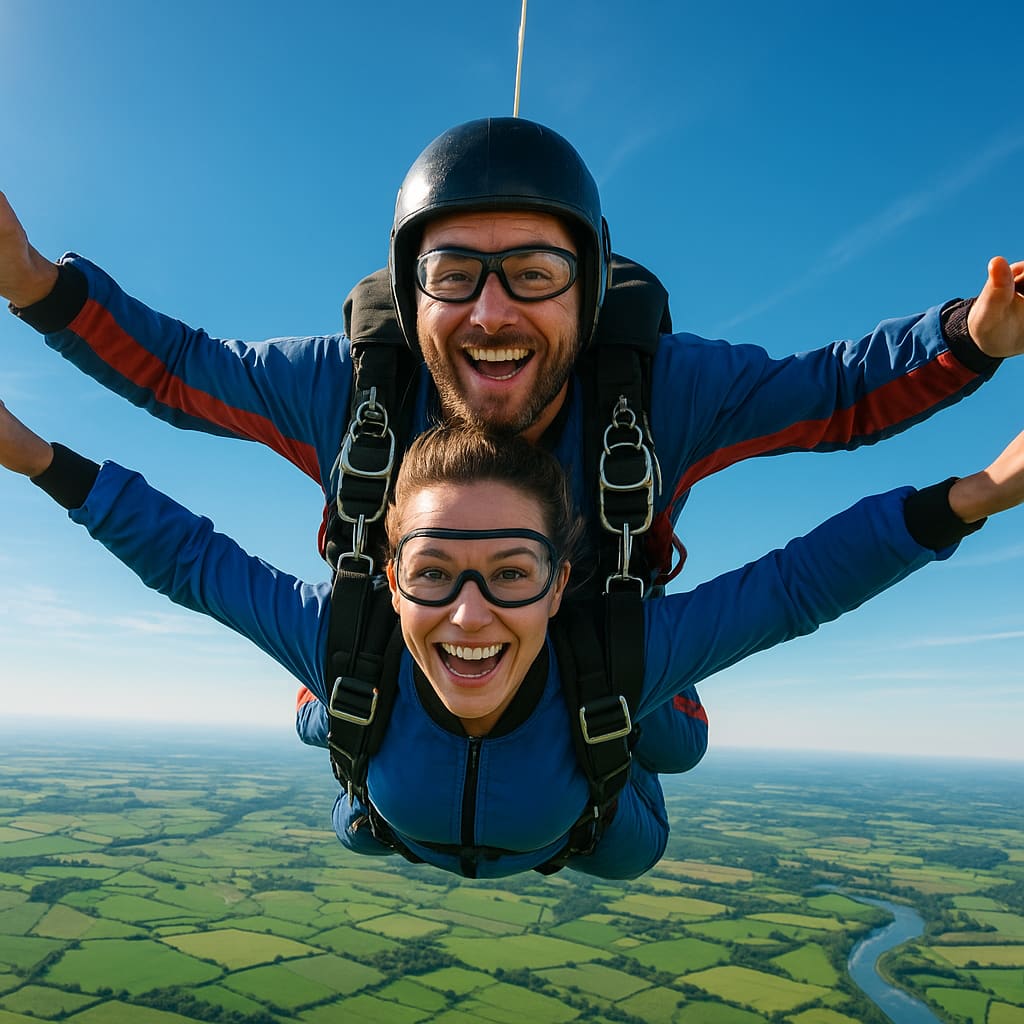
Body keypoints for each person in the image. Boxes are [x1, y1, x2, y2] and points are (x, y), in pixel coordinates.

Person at [2, 117, 1022, 773]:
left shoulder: (661, 390)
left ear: (584, 286)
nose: (491, 311)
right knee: (349, 729)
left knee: (661, 756)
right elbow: (180, 373)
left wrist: (970, 341)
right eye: (453, 274)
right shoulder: (351, 387)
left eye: (533, 270)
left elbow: (836, 395)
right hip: (422, 635)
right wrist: (32, 283)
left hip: (600, 643)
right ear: (409, 296)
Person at [2, 399, 1021, 879]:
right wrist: (32, 452)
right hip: (402, 803)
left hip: (590, 829)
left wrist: (980, 492)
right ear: (388, 577)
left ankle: (638, 721)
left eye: (513, 574)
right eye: (434, 573)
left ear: (563, 581)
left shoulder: (612, 653)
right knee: (345, 751)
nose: (470, 611)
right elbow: (189, 558)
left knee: (674, 742)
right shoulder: (342, 637)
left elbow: (800, 583)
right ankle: (322, 720)